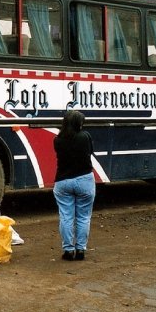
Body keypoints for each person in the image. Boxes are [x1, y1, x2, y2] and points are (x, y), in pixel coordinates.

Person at [53, 110, 96, 261]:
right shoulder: (85, 136)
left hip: (63, 182)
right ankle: (81, 250)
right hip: (84, 180)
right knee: (83, 217)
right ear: (79, 123)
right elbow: (90, 153)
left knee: (66, 216)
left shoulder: (57, 140)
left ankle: (68, 250)